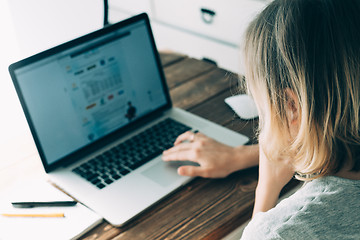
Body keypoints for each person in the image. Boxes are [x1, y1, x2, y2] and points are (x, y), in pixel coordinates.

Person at [163, 0, 360, 238]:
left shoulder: (280, 231)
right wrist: (242, 156)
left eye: (262, 106)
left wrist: (266, 190)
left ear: (291, 108)